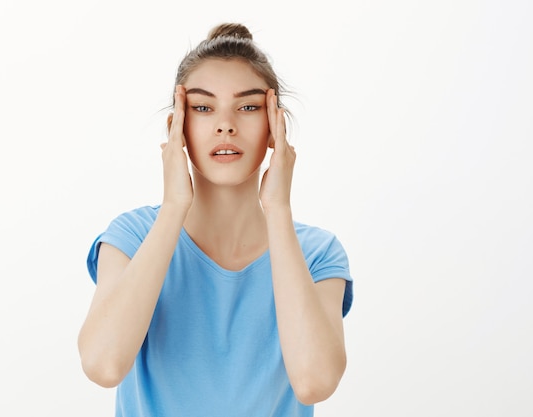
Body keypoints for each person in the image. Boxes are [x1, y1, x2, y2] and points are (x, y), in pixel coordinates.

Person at [78, 22, 354, 417]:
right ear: (178, 127)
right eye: (204, 108)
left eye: (248, 107)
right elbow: (103, 366)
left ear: (276, 126)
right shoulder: (132, 237)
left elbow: (314, 382)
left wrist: (279, 210)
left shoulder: (317, 254)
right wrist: (173, 206)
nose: (226, 125)